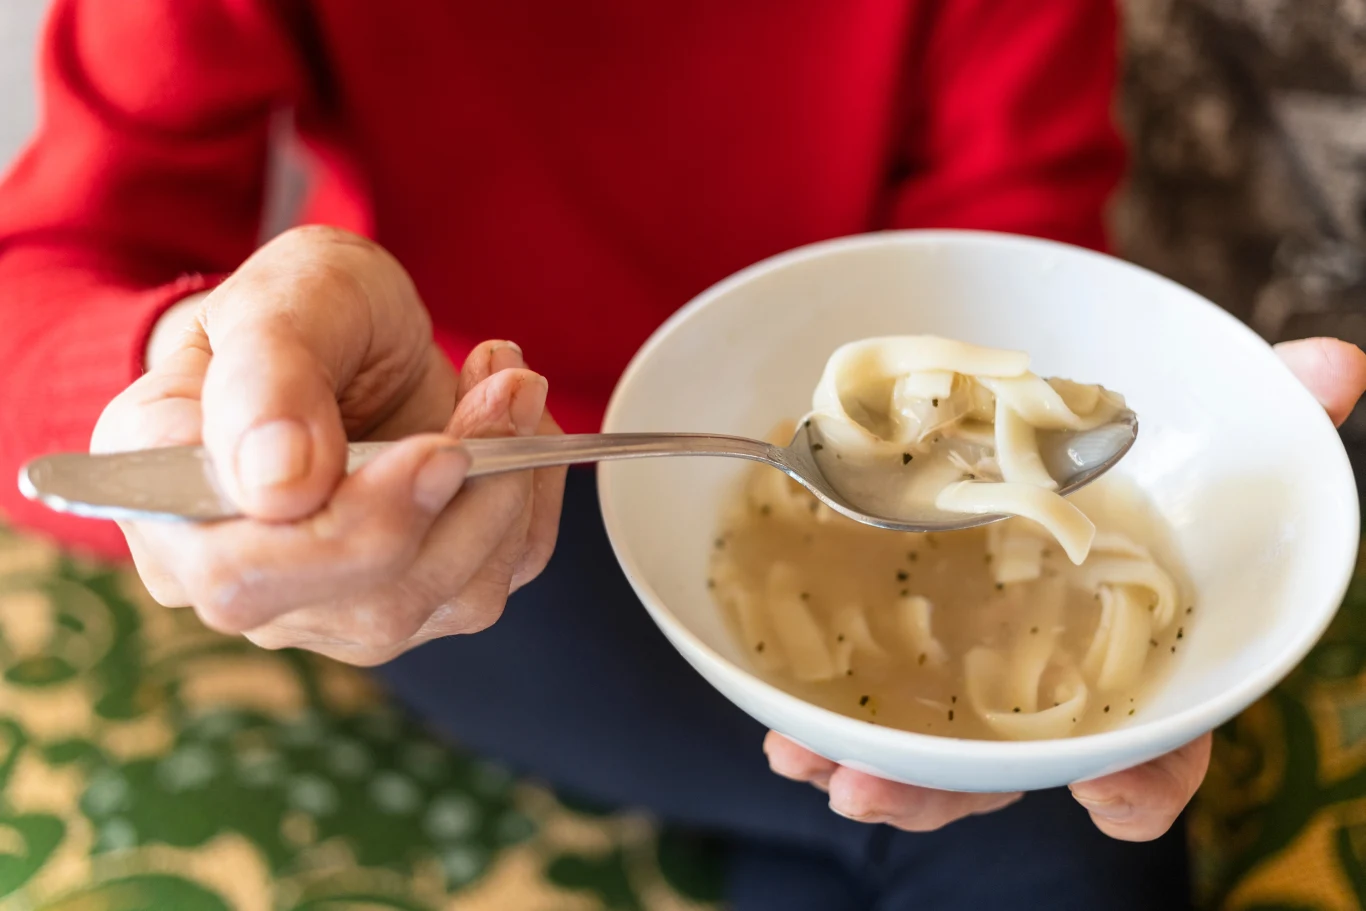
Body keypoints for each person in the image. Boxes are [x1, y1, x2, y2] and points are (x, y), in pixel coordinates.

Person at [0, 1, 1362, 908]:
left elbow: (1004, 244)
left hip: (833, 467)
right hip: (470, 470)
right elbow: (45, 271)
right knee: (1042, 835)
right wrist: (180, 383)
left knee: (997, 801)